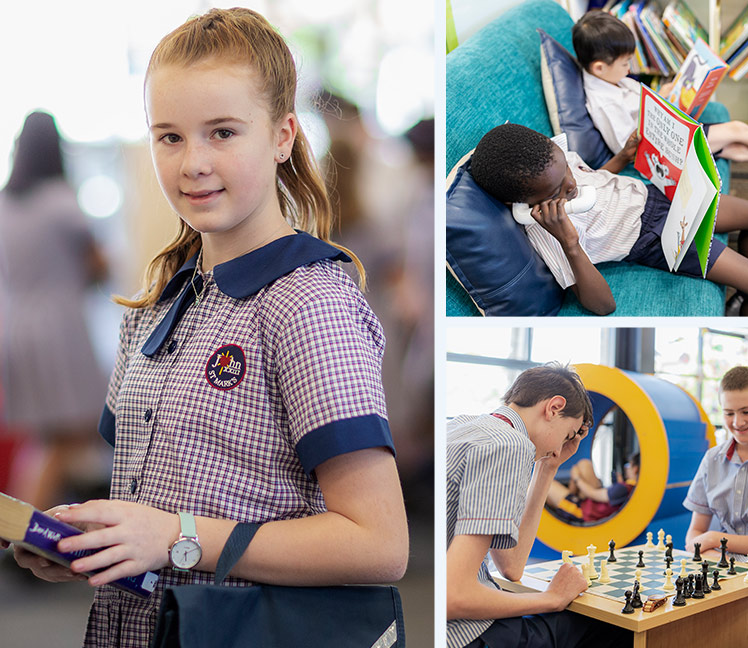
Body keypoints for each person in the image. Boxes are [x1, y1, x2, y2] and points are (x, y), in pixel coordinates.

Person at [4, 10, 409, 646]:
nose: (192, 162)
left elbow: (380, 545)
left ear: (282, 136)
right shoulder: (159, 296)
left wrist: (175, 539)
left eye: (222, 132)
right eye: (169, 137)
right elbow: (153, 508)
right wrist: (95, 544)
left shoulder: (308, 300)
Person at [467, 123, 748, 315]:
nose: (572, 184)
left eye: (566, 170)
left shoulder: (551, 164)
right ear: (522, 205)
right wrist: (570, 243)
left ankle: (741, 293)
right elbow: (603, 306)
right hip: (652, 235)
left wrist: (621, 158)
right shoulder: (548, 232)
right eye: (558, 188)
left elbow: (595, 178)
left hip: (654, 196)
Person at [445, 364, 627, 648]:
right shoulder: (509, 445)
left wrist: (548, 469)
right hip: (468, 636)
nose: (558, 450)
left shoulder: (463, 424)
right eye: (567, 435)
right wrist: (550, 598)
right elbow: (453, 595)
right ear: (554, 408)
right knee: (612, 626)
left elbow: (512, 566)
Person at [572, 11, 748, 185]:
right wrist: (663, 107)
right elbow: (627, 145)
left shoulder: (608, 78)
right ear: (599, 67)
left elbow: (637, 104)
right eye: (624, 64)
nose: (630, 69)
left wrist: (662, 95)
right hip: (661, 149)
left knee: (734, 149)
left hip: (667, 133)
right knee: (737, 131)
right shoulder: (602, 101)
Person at [0, 111, 109, 511]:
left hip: (17, 325)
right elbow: (99, 265)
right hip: (59, 329)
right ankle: (28, 531)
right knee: (71, 433)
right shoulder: (62, 202)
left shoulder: (6, 204)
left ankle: (23, 522)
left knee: (48, 436)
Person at [684, 366, 748, 557]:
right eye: (729, 413)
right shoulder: (712, 460)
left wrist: (716, 540)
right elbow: (694, 534)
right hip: (721, 566)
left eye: (746, 411)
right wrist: (716, 555)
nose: (738, 422)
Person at [545, 453, 639, 523]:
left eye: (628, 466)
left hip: (583, 512)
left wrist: (577, 478)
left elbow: (592, 494)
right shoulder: (631, 488)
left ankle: (569, 502)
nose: (626, 469)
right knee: (584, 464)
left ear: (635, 469)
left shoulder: (624, 488)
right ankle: (571, 496)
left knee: (547, 484)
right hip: (590, 505)